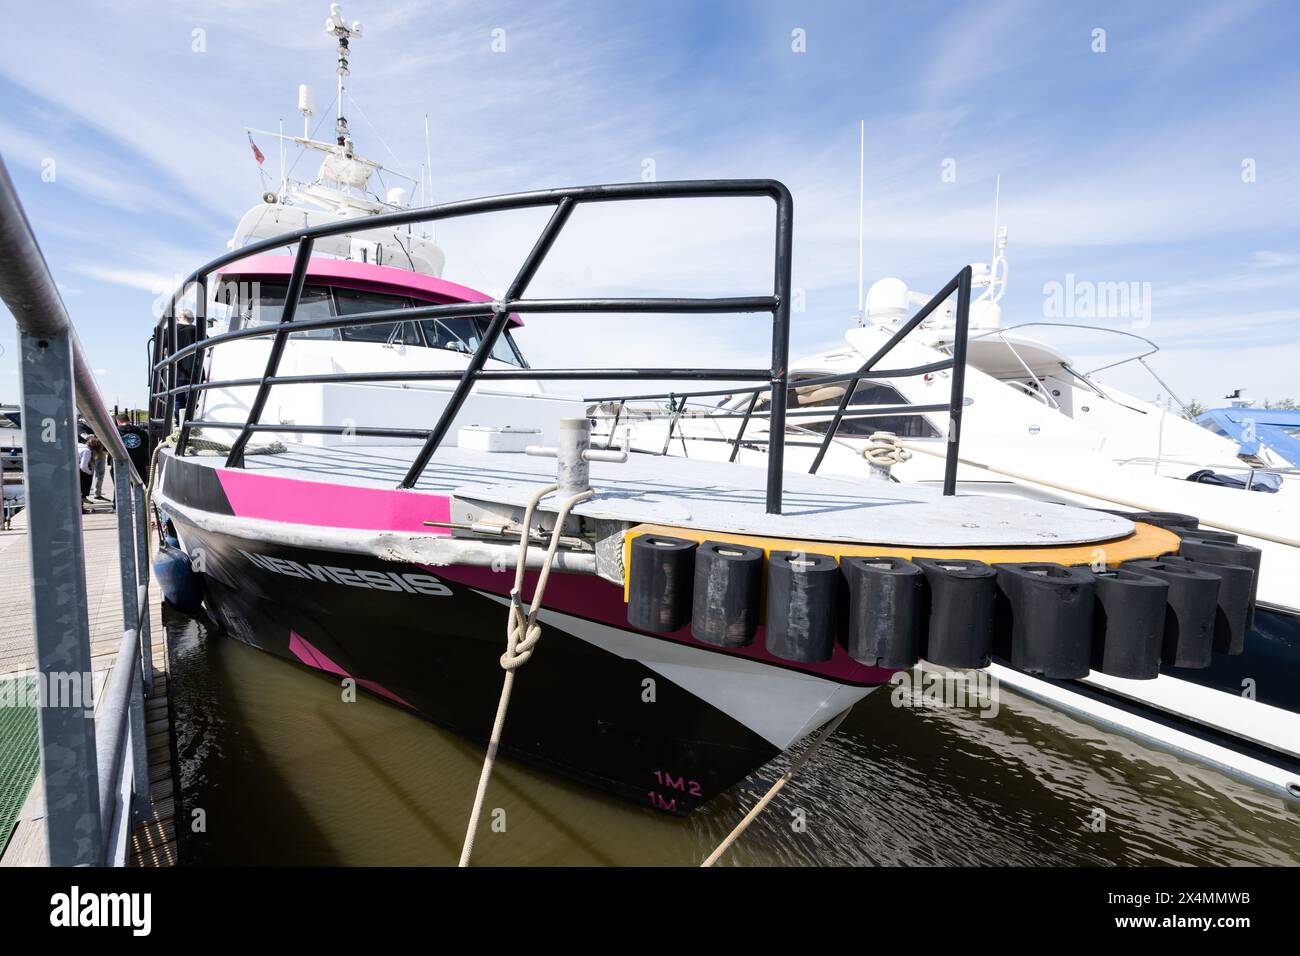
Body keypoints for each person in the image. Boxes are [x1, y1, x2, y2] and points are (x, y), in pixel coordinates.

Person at [172, 309, 200, 425]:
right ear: (191, 319)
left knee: (179, 399)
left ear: (179, 317)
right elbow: (209, 345)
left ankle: (180, 424)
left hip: (177, 371)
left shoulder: (171, 330)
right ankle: (190, 423)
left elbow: (161, 341)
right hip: (194, 370)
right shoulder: (197, 330)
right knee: (192, 399)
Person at [77, 436, 93, 510]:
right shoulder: (87, 451)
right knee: (87, 474)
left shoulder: (79, 445)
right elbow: (83, 467)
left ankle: (81, 504)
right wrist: (90, 472)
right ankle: (83, 496)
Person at [89, 435, 108, 499]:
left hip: (98, 451)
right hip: (96, 451)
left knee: (98, 474)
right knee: (98, 474)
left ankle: (97, 493)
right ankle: (97, 493)